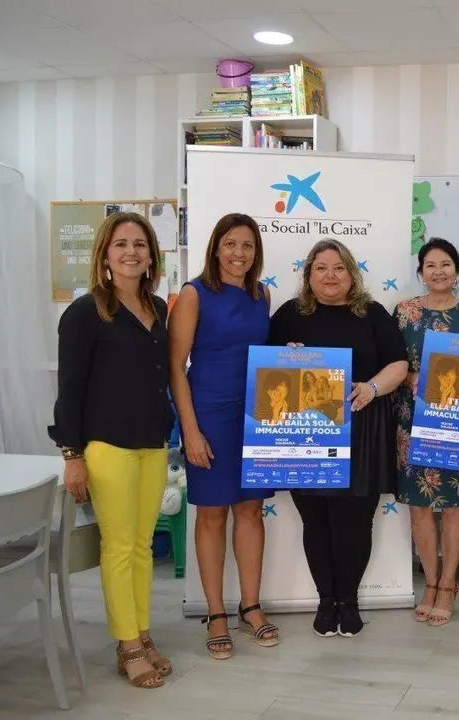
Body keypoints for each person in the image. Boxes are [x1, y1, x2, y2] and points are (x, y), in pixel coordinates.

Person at [50, 212, 174, 689]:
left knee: (142, 547)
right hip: (107, 446)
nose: (131, 252)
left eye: (139, 244)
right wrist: (72, 456)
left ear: (151, 255)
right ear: (104, 254)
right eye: (121, 244)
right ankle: (127, 646)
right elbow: (70, 390)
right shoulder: (84, 313)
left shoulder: (158, 308)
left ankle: (141, 634)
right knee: (119, 548)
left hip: (153, 443)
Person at [268, 238, 408, 638]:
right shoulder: (290, 314)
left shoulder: (372, 313)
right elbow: (265, 369)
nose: (330, 276)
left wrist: (372, 388)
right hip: (305, 436)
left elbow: (399, 364)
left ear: (351, 273)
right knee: (316, 521)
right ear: (308, 275)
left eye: (338, 268)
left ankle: (349, 601)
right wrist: (287, 358)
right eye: (321, 268)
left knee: (355, 522)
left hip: (362, 430)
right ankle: (325, 601)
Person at [169, 213, 278, 660]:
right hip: (209, 414)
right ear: (215, 247)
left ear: (256, 253)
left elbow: (262, 354)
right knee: (212, 514)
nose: (239, 253)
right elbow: (176, 368)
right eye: (231, 244)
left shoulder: (262, 294)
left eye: (247, 245)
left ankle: (250, 606)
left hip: (255, 415)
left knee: (251, 510)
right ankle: (216, 614)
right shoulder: (194, 294)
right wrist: (190, 431)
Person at [393, 238, 459, 627]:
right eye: (430, 265)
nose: (438, 271)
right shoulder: (404, 312)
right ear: (421, 272)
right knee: (419, 506)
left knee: (453, 505)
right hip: (413, 421)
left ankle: (449, 584)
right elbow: (391, 361)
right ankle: (430, 584)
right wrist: (411, 376)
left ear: (457, 271)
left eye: (446, 264)